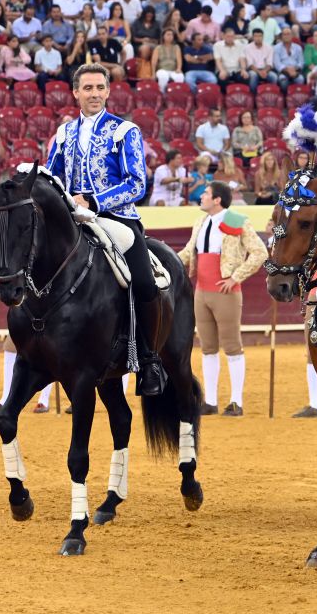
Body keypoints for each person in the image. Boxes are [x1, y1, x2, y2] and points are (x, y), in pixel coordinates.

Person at [44, 63, 164, 396]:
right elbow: (53, 179)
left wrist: (95, 203)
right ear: (75, 92)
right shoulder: (64, 134)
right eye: (88, 88)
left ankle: (149, 359)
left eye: (100, 88)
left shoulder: (125, 131)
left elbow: (137, 183)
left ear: (109, 91)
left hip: (118, 219)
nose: (94, 93)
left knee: (143, 281)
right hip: (73, 222)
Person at [177, 181, 268, 417]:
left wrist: (235, 277)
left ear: (217, 199)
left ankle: (236, 401)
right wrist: (166, 261)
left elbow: (260, 252)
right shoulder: (200, 222)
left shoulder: (237, 220)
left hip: (226, 292)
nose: (201, 197)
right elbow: (189, 252)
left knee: (231, 345)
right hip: (201, 291)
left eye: (206, 194)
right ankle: (210, 400)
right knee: (207, 347)